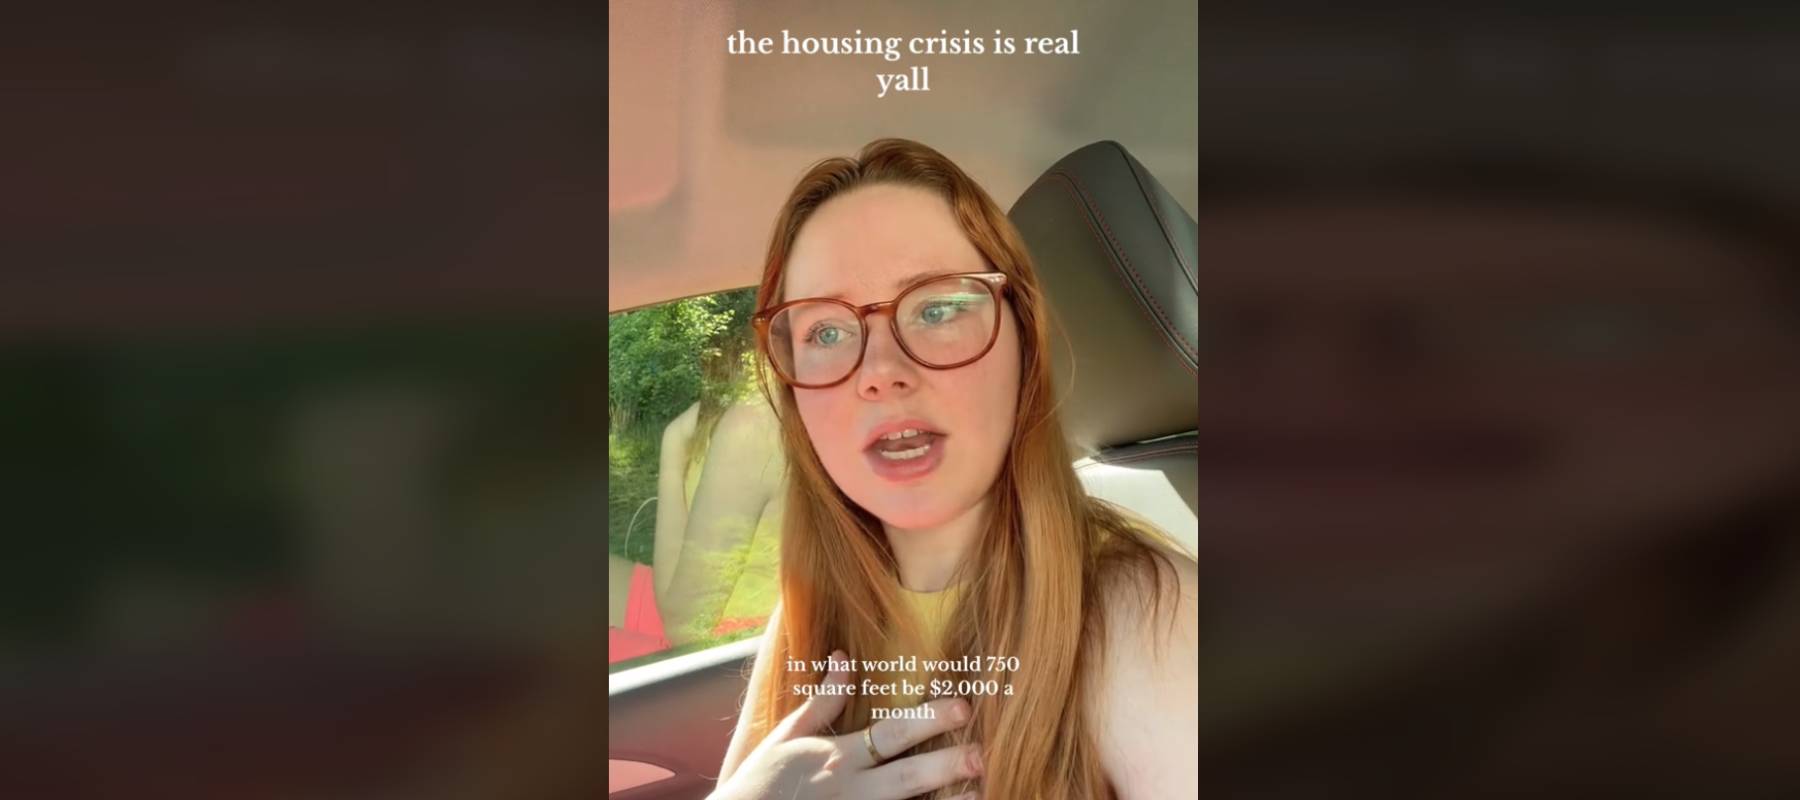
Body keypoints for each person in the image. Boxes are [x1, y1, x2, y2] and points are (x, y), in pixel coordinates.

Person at [706, 138, 1200, 800]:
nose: (881, 373)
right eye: (825, 331)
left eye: (937, 307)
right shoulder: (807, 610)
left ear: (1025, 340)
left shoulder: (1147, 616)